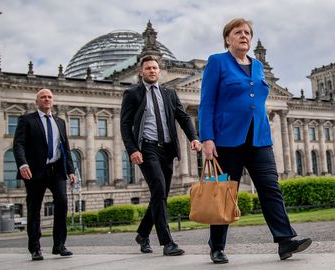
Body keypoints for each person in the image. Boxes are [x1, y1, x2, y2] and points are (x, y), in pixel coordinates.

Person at [198, 18, 312, 264]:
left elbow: (256, 99)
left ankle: (284, 240)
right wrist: (207, 138)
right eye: (238, 32)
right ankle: (217, 247)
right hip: (227, 140)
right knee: (225, 194)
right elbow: (206, 102)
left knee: (270, 188)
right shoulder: (217, 62)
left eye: (248, 32)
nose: (244, 36)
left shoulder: (258, 66)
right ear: (228, 38)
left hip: (259, 138)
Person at [120, 55, 201, 256]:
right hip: (147, 148)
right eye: (148, 68)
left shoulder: (169, 93)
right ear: (141, 72)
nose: (152, 71)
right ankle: (167, 242)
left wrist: (194, 137)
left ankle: (143, 233)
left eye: (155, 68)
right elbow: (125, 125)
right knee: (158, 188)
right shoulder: (132, 93)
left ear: (159, 70)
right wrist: (133, 150)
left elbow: (182, 116)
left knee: (160, 194)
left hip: (167, 149)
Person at [13, 88, 76, 261]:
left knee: (62, 203)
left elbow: (66, 148)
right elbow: (18, 144)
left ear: (52, 100)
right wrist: (22, 164)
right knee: (34, 208)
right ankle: (35, 248)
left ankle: (59, 245)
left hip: (56, 170)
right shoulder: (26, 120)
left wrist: (70, 170)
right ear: (37, 101)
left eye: (49, 97)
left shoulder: (60, 121)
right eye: (43, 97)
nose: (47, 99)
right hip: (35, 171)